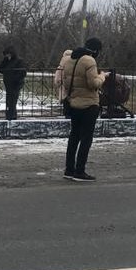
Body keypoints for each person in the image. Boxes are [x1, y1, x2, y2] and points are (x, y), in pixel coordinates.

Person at [60, 37, 107, 182]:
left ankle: (69, 169)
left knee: (74, 136)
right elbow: (93, 84)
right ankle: (80, 171)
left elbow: (66, 82)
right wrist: (102, 77)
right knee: (86, 138)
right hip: (89, 105)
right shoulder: (89, 61)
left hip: (74, 103)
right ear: (96, 50)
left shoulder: (69, 60)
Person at [0, 46, 27, 120]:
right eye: (6, 55)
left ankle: (11, 116)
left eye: (8, 54)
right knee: (9, 100)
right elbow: (0, 69)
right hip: (8, 84)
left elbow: (22, 73)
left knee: (13, 100)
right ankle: (10, 115)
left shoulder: (19, 61)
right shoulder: (7, 61)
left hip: (15, 84)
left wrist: (15, 80)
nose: (7, 56)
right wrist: (4, 61)